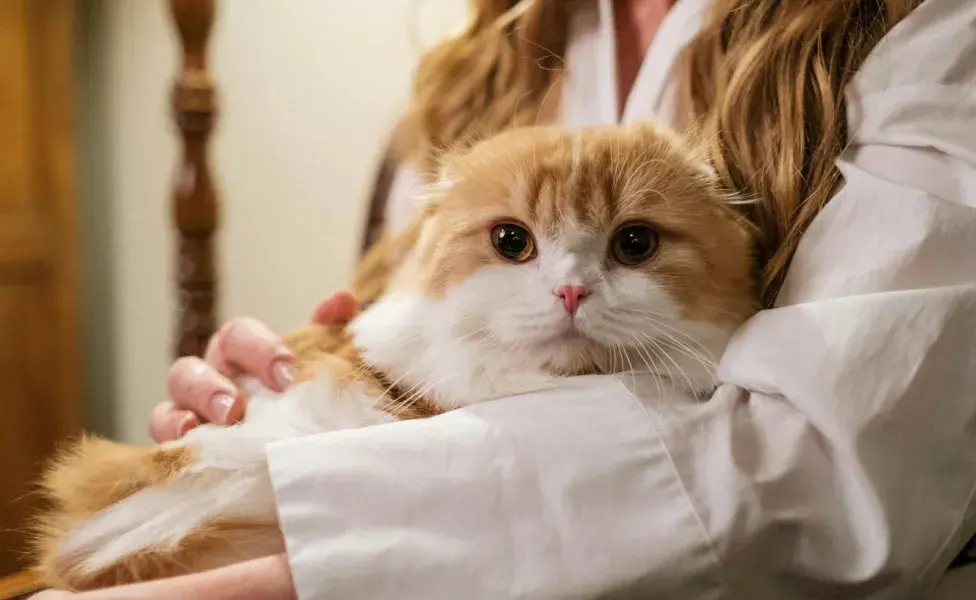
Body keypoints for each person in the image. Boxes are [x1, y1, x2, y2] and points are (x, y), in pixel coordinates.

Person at [37, 0, 976, 597]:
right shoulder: (473, 64)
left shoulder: (924, 30)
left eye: (637, 243)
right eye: (515, 242)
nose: (566, 287)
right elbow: (392, 325)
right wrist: (260, 380)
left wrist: (295, 564)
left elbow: (822, 478)